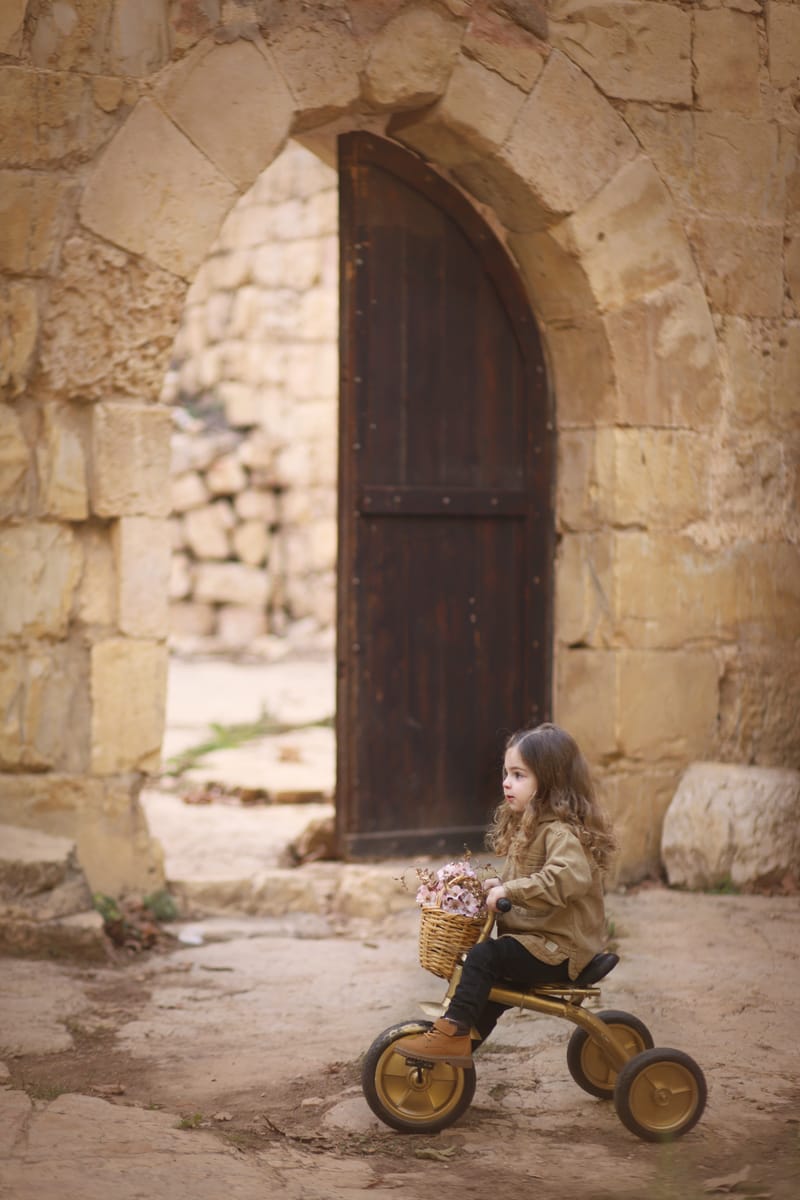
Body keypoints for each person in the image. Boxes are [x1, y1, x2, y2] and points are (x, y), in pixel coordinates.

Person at [395, 722, 618, 1068]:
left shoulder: (560, 834)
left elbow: (564, 879)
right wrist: (494, 886)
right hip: (539, 942)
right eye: (506, 773)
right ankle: (459, 1047)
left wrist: (508, 891)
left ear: (550, 782)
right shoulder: (531, 827)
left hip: (559, 950)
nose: (506, 782)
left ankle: (453, 1036)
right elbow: (523, 881)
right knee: (490, 984)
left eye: (518, 775)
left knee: (485, 958)